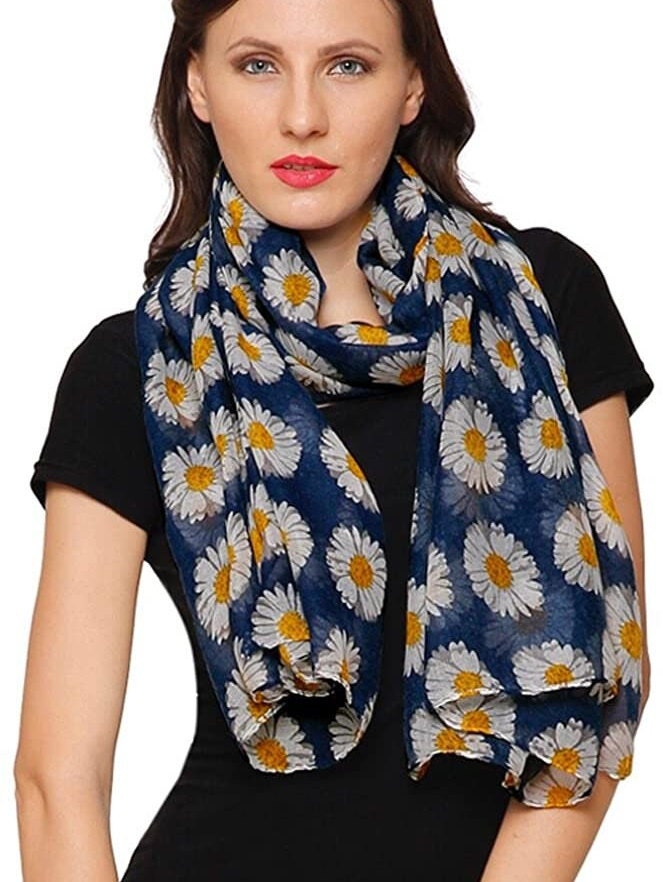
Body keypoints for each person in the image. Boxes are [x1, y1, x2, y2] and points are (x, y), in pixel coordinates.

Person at [14, 1, 654, 880]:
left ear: (412, 84)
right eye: (257, 64)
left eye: (347, 65)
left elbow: (608, 676)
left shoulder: (537, 301)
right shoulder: (136, 366)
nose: (302, 115)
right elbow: (57, 779)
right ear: (197, 84)